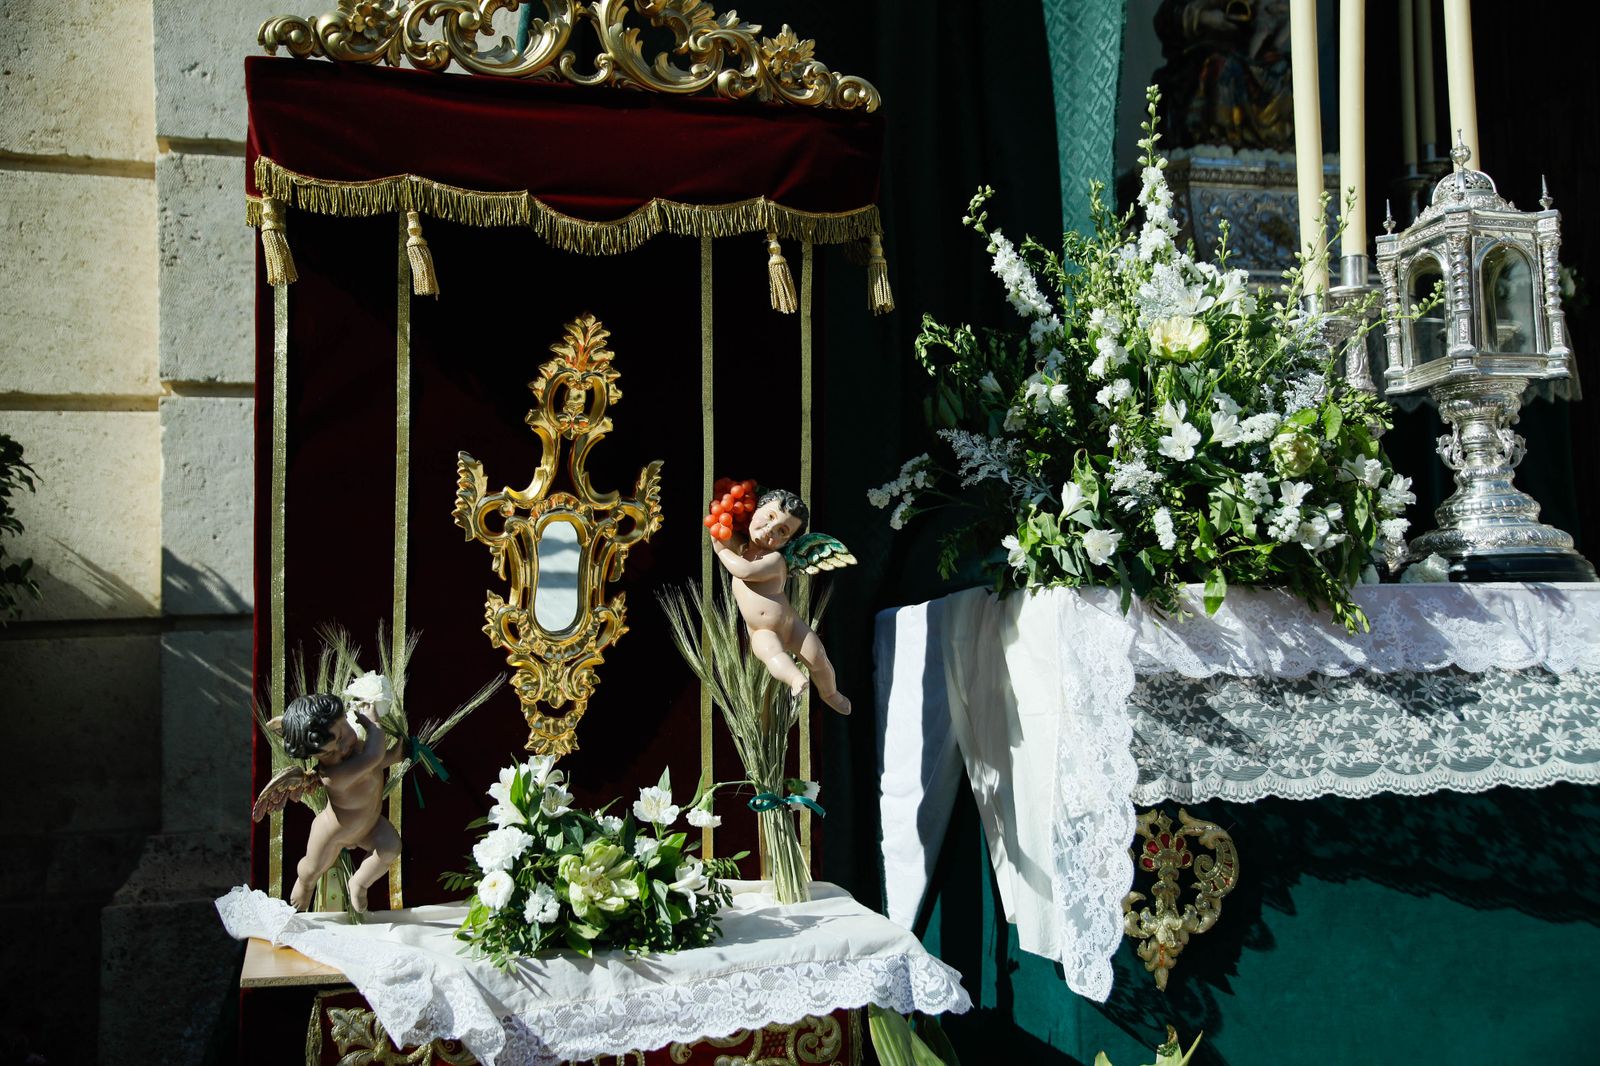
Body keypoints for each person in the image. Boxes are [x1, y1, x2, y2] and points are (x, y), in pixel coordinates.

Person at [709, 488, 852, 716]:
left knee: (819, 658)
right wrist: (722, 520)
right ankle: (795, 679)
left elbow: (743, 570)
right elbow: (726, 533)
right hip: (762, 630)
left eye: (781, 531)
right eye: (770, 517)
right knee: (771, 653)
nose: (769, 531)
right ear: (754, 511)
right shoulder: (743, 549)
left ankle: (830, 694)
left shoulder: (774, 560)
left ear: (787, 542)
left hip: (791, 625)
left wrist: (720, 550)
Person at [278, 692, 404, 911]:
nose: (342, 749)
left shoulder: (359, 750)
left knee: (391, 847)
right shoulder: (333, 775)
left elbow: (379, 761)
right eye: (329, 753)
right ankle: (305, 885)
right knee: (312, 868)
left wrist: (398, 754)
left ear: (346, 718)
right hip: (333, 832)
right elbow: (373, 759)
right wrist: (373, 724)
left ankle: (359, 882)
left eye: (341, 736)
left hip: (369, 826)